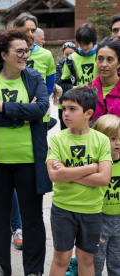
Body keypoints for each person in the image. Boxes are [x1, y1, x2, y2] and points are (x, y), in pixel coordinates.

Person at [0, 29, 51, 276]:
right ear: (4, 54)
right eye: (19, 51)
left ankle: (34, 271)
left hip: (29, 161)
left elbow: (40, 108)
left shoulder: (34, 76)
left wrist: (5, 107)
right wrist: (19, 118)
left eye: (26, 50)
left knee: (32, 219)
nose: (25, 55)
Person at [47, 87, 112, 276]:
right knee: (61, 258)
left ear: (88, 113)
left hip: (91, 210)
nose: (65, 113)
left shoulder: (101, 140)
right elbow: (54, 176)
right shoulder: (58, 139)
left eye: (72, 109)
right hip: (63, 209)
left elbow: (104, 179)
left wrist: (67, 172)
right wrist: (91, 167)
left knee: (86, 260)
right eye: (64, 108)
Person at [91, 114, 120, 276]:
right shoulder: (94, 166)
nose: (118, 143)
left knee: (117, 263)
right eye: (113, 138)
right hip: (99, 219)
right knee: (94, 263)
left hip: (119, 220)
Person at [59, 23, 99, 130]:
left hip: (99, 102)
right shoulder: (71, 59)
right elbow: (63, 84)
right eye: (81, 44)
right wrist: (74, 88)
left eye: (87, 44)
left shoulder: (101, 55)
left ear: (93, 41)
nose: (84, 47)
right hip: (79, 104)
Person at [89, 38, 120, 122]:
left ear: (118, 63)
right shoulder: (88, 90)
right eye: (100, 59)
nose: (104, 64)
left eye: (109, 59)